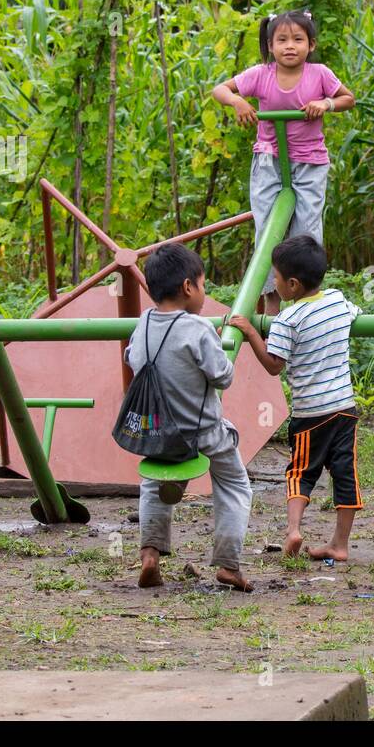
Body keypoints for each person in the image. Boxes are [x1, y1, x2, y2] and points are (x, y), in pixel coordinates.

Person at [126, 243, 254, 592]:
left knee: (153, 486)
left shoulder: (144, 323)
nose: (204, 292)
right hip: (203, 433)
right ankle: (228, 564)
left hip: (158, 435)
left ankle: (150, 555)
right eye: (203, 284)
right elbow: (223, 376)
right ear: (187, 287)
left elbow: (132, 358)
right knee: (234, 486)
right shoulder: (197, 330)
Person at [227, 235, 363, 564]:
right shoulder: (337, 300)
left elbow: (274, 365)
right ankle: (340, 544)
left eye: (275, 278)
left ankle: (293, 529)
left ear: (291, 284)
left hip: (310, 413)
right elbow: (355, 314)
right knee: (345, 473)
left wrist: (251, 333)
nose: (273, 283)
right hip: (344, 408)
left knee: (300, 472)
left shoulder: (288, 320)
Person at [211, 9, 356, 316]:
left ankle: (306, 301)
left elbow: (348, 99)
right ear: (271, 45)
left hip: (309, 163)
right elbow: (220, 89)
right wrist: (238, 100)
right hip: (269, 160)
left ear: (311, 45)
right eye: (282, 40)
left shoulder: (320, 74)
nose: (290, 46)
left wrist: (325, 103)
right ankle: (271, 300)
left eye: (298, 39)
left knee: (306, 232)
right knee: (267, 232)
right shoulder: (261, 74)